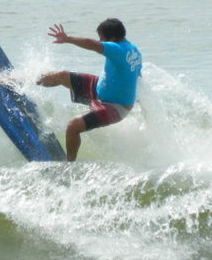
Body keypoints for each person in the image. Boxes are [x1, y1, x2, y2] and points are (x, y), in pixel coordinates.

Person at [37, 18, 142, 161]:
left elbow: (92, 44)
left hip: (115, 107)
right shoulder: (133, 50)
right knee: (62, 76)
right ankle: (27, 81)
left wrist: (67, 39)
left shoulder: (117, 49)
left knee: (73, 126)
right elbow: (138, 76)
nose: (100, 40)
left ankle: (69, 166)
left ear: (111, 38)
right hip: (100, 89)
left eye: (102, 38)